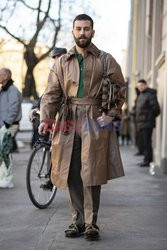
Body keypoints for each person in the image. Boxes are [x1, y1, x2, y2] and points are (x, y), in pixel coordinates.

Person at [39, 14, 126, 240]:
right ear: (73, 31)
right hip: (68, 119)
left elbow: (120, 90)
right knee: (70, 173)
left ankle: (91, 224)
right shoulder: (61, 62)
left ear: (93, 32)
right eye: (78, 29)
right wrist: (45, 120)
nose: (82, 33)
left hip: (94, 119)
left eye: (86, 29)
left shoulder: (106, 60)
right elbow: (51, 94)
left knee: (91, 172)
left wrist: (112, 115)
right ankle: (76, 221)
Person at [29, 47, 67, 148]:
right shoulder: (54, 72)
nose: (57, 59)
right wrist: (36, 107)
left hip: (69, 111)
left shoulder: (70, 69)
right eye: (54, 57)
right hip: (56, 111)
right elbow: (48, 93)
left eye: (59, 56)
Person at [0, 68, 22, 188]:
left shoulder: (12, 90)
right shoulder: (4, 90)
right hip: (4, 125)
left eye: (0, 74)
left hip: (9, 125)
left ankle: (8, 180)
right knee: (2, 151)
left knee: (5, 151)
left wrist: (7, 123)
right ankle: (3, 177)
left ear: (6, 76)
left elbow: (14, 108)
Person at [136, 79, 160, 167]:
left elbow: (156, 110)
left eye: (141, 85)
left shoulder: (150, 95)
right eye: (138, 86)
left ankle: (148, 160)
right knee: (144, 142)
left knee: (147, 142)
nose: (140, 87)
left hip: (147, 123)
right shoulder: (141, 95)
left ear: (146, 85)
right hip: (141, 123)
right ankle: (145, 159)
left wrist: (149, 117)